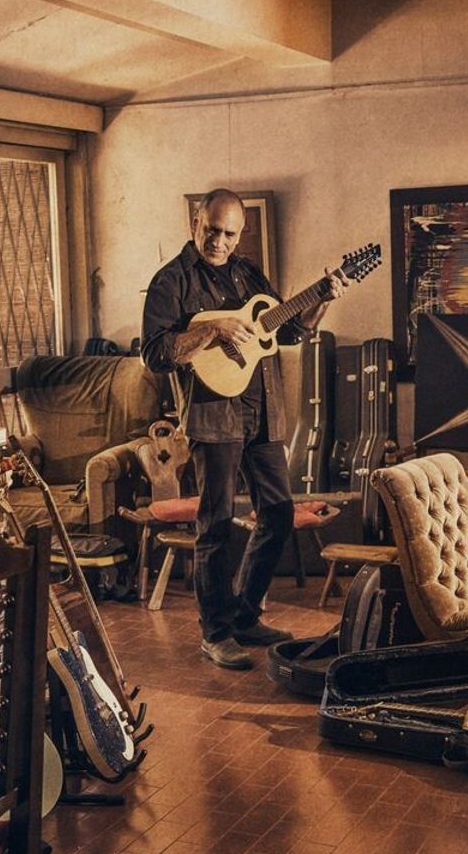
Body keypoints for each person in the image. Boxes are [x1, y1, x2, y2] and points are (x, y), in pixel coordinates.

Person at [141, 189, 348, 670]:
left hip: (262, 411)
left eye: (229, 233)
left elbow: (291, 331)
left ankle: (246, 614)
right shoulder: (171, 281)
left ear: (240, 234)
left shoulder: (248, 272)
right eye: (212, 229)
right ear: (196, 221)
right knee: (214, 525)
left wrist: (322, 299)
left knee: (276, 513)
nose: (219, 241)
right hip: (214, 416)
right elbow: (154, 353)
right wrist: (213, 331)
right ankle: (215, 633)